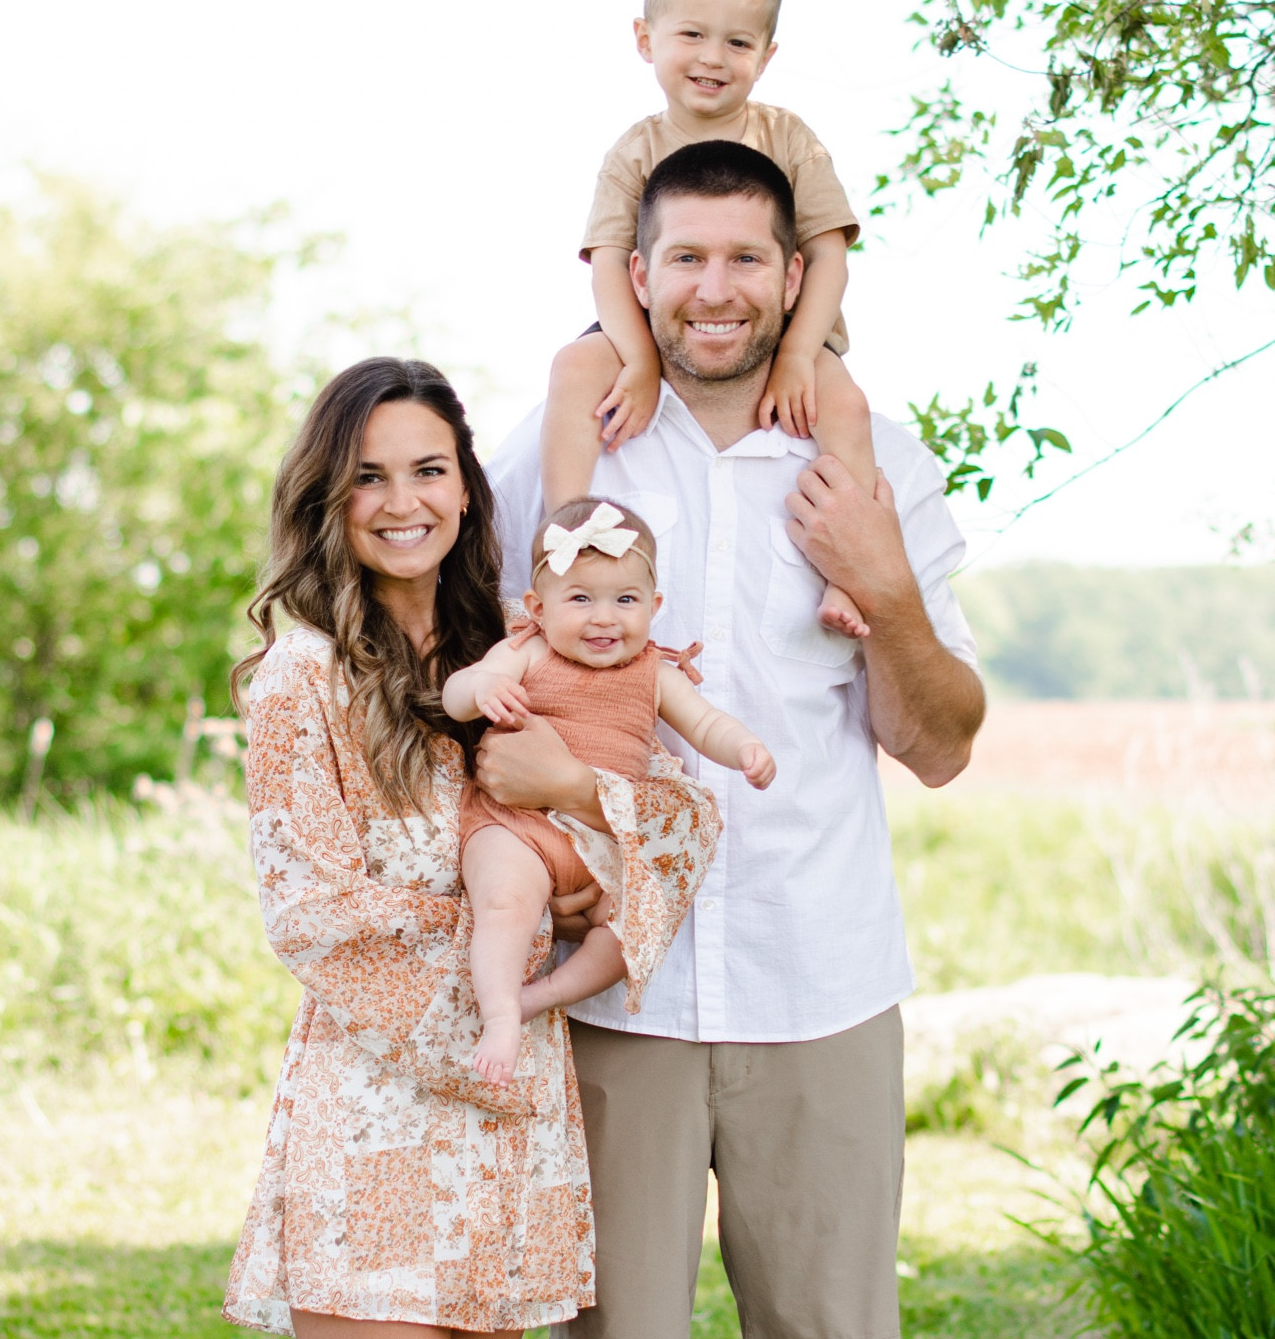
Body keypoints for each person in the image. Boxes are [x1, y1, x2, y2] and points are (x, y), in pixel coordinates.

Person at [488, 144, 986, 1339]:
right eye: (688, 257)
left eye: (746, 258)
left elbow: (943, 744)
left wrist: (886, 588)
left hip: (819, 979)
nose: (717, 288)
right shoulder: (555, 453)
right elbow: (468, 673)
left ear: (795, 273)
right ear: (639, 276)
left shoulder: (876, 463)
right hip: (610, 991)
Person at [222, 357, 720, 1339]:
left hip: (506, 1123)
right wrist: (520, 927)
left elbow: (683, 818)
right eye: (368, 475)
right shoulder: (303, 674)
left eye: (429, 469)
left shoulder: (529, 639)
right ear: (328, 494)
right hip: (380, 1108)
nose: (402, 501)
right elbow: (314, 910)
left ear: (466, 485)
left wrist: (577, 818)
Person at [538, 0, 872, 636]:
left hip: (787, 324)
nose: (713, 58)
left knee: (845, 407)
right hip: (652, 323)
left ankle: (854, 572)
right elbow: (608, 262)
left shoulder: (789, 138)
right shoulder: (635, 149)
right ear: (645, 37)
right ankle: (559, 549)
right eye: (692, 33)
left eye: (738, 43)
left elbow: (829, 254)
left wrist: (796, 354)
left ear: (767, 55)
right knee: (574, 368)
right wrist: (638, 362)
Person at [443, 495, 775, 1086]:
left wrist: (745, 747)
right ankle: (498, 1014)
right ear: (537, 610)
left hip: (602, 840)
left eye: (625, 600)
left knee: (632, 929)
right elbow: (459, 690)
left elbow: (705, 724)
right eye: (580, 599)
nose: (604, 618)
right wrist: (483, 691)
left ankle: (539, 996)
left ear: (655, 606)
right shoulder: (526, 651)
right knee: (505, 903)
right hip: (518, 825)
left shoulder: (656, 672)